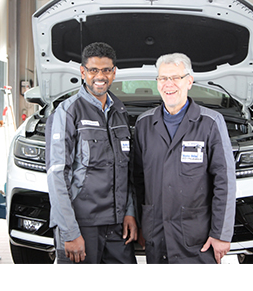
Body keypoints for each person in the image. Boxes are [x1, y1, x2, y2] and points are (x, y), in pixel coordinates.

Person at [133, 53, 236, 264]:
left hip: (196, 236)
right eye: (163, 78)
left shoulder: (211, 122)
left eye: (175, 78)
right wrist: (141, 223)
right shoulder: (144, 124)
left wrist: (221, 234)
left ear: (189, 81)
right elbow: (137, 180)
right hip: (157, 234)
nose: (168, 84)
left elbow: (224, 181)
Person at [45, 42, 137, 264]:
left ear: (114, 73)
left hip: (117, 226)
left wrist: (130, 212)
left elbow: (126, 169)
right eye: (93, 70)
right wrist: (69, 231)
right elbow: (58, 175)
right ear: (83, 72)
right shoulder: (68, 111)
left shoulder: (120, 111)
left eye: (106, 70)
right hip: (82, 224)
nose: (100, 76)